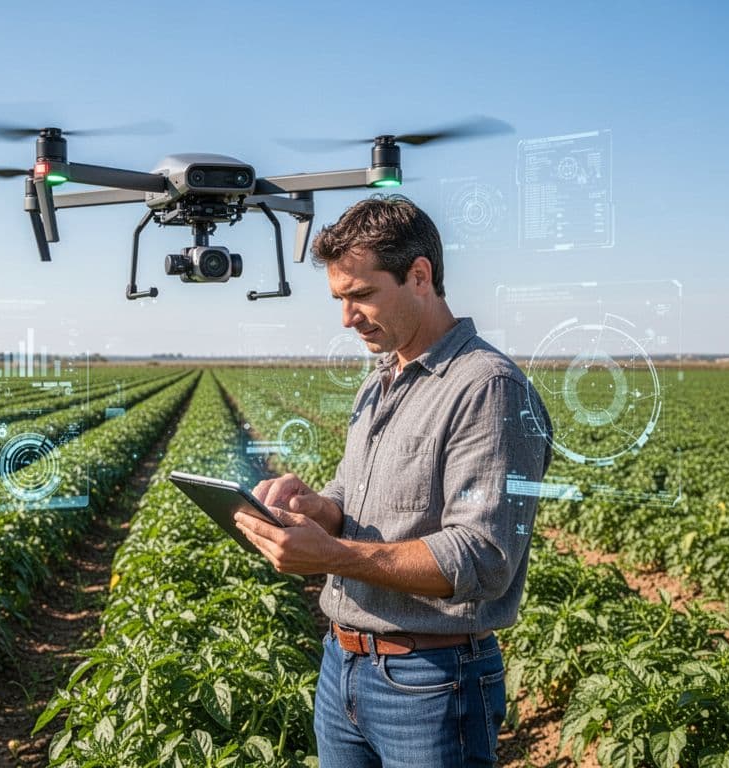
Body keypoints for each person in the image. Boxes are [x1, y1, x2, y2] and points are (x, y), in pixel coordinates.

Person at [234, 194, 553, 767]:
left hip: (432, 682)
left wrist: (333, 555)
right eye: (339, 299)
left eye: (361, 296)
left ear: (420, 276)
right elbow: (347, 499)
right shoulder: (381, 377)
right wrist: (313, 507)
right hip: (342, 667)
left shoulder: (487, 388)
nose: (347, 318)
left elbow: (482, 558)